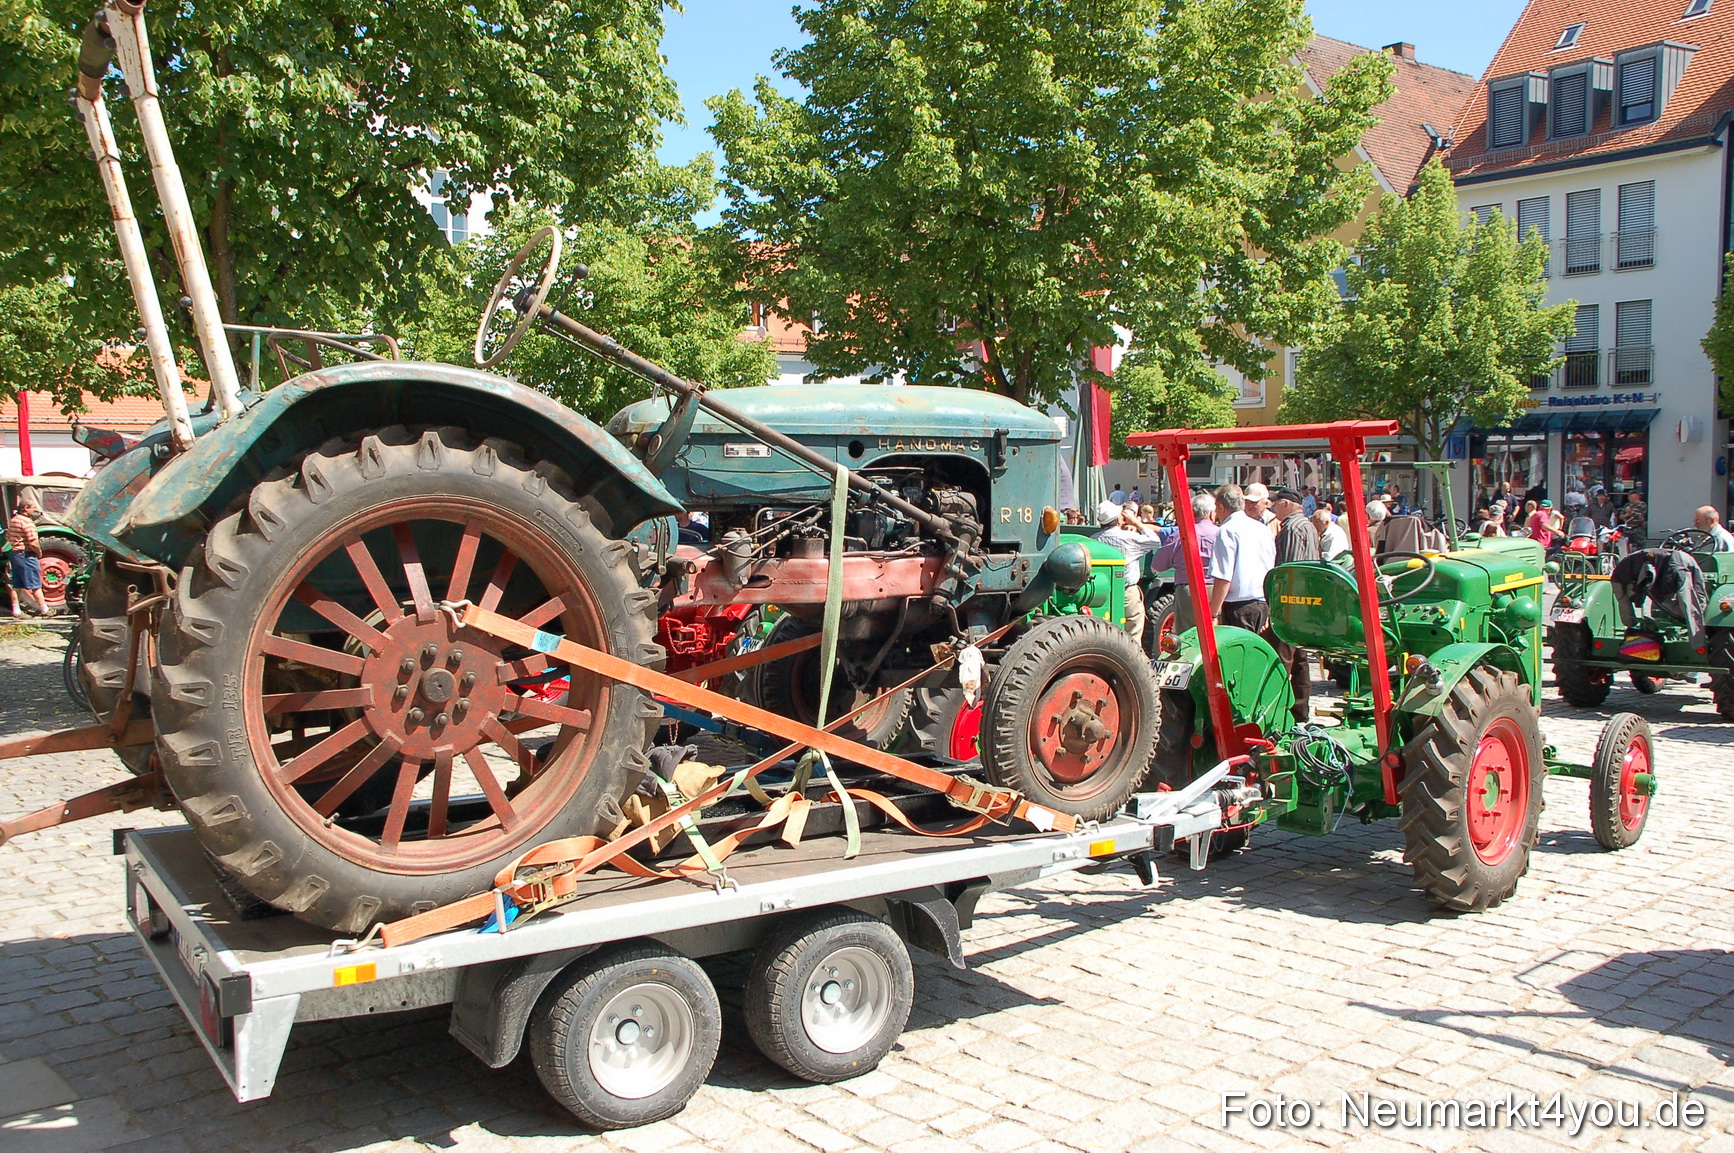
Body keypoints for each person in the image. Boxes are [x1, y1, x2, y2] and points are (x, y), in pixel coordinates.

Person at [1269, 488, 1319, 721]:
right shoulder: (1308, 525)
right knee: (1301, 659)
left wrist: (1278, 603)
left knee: (1283, 658)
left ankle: (1276, 710)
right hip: (1306, 599)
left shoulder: (1290, 527)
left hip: (1291, 599)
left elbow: (1286, 568)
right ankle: (1301, 711)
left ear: (1286, 504)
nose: (1273, 508)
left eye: (1276, 503)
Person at [1208, 484, 1276, 634]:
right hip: (1262, 603)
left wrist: (1213, 613)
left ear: (1221, 507)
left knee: (1237, 655)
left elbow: (1223, 576)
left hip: (1238, 606)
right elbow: (1271, 568)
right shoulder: (1262, 529)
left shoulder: (1227, 530)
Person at [1095, 499, 1164, 646]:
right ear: (1119, 519)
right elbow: (1154, 541)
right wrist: (1136, 523)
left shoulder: (1094, 540)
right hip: (1127, 592)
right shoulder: (1128, 539)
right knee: (1133, 629)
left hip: (1101, 594)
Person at [1150, 490, 1219, 635]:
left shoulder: (1180, 534)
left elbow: (1157, 566)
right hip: (1217, 589)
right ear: (1212, 513)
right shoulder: (1221, 533)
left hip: (1188, 591)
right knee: (1215, 634)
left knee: (1187, 636)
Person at [6, 498, 50, 617]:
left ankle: (16, 610)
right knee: (35, 584)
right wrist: (39, 553)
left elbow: (8, 536)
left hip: (15, 554)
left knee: (17, 584)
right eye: (33, 508)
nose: (35, 510)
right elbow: (33, 542)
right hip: (26, 555)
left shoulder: (14, 520)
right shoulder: (27, 523)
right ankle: (45, 609)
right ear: (26, 508)